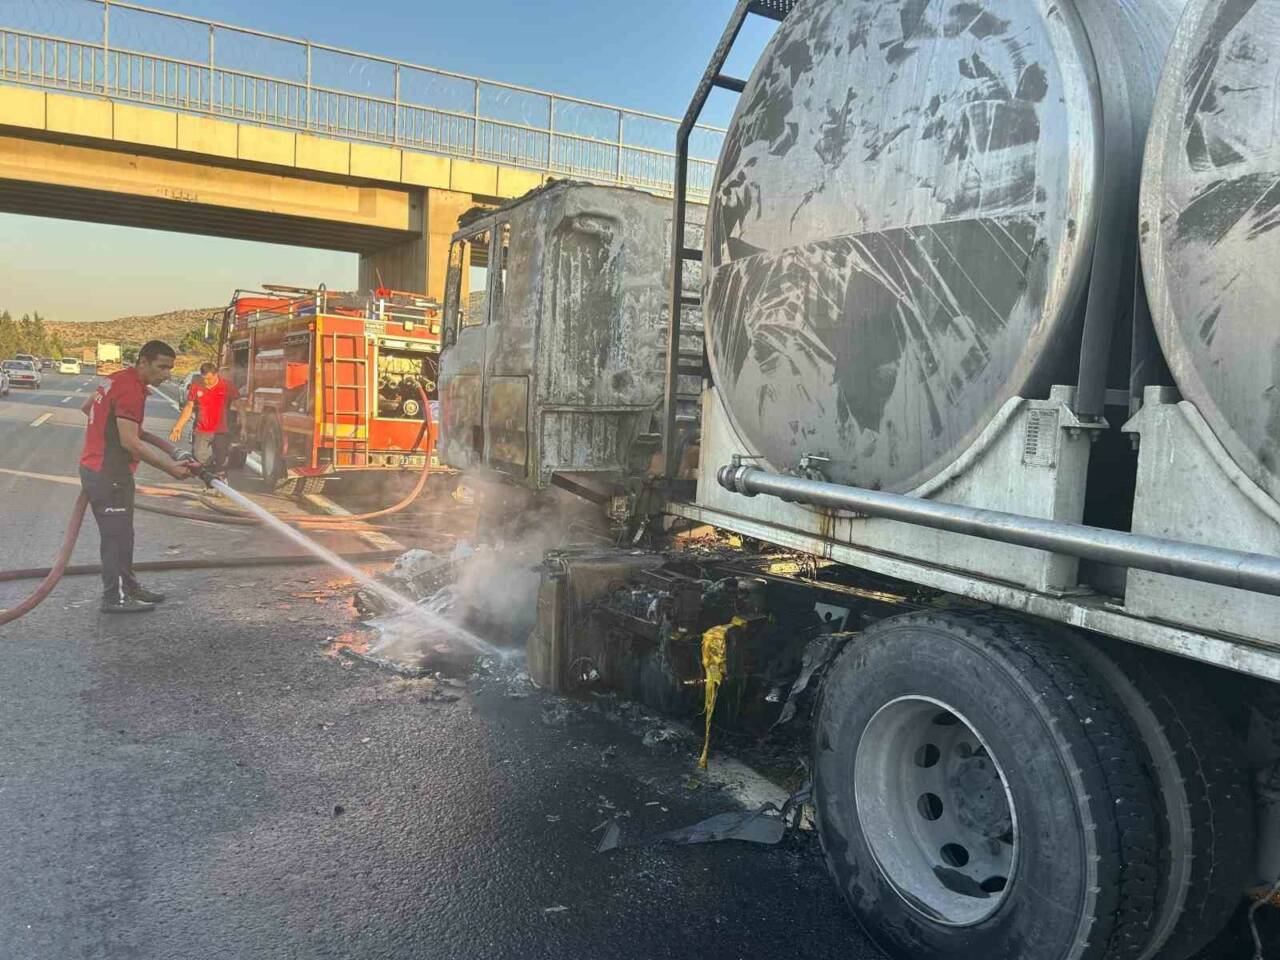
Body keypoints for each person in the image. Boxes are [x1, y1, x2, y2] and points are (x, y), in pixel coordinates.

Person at [80, 339, 195, 614]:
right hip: (108, 474)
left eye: (170, 368)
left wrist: (172, 451)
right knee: (115, 538)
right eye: (162, 367)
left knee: (124, 535)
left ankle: (129, 588)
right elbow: (130, 442)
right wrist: (171, 468)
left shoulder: (118, 379)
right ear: (143, 362)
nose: (167, 374)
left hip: (108, 472)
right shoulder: (131, 389)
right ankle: (114, 598)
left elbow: (89, 408)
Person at [170, 361, 240, 475]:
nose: (206, 382)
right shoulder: (196, 386)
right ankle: (209, 474)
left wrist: (244, 425)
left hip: (220, 431)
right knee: (198, 458)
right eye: (204, 379)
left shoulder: (227, 386)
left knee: (222, 460)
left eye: (209, 379)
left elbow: (240, 406)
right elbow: (188, 408)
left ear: (216, 374)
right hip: (201, 430)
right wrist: (178, 427)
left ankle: (220, 480)